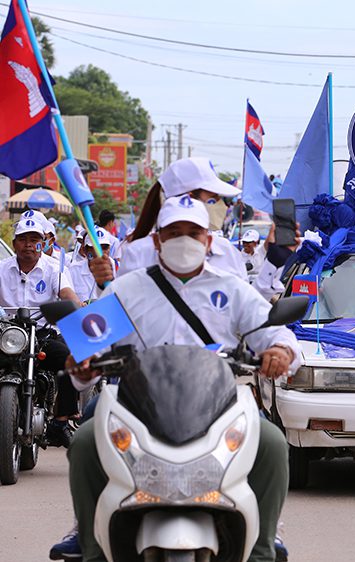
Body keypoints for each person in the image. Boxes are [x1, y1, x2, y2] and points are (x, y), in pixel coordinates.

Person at [55, 196, 300, 562]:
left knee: (272, 444)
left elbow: (279, 335)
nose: (183, 240)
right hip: (133, 404)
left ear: (208, 241)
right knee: (86, 441)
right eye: (173, 232)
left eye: (192, 232)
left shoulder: (233, 289)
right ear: (157, 241)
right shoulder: (126, 288)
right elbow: (83, 344)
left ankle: (262, 546)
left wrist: (281, 353)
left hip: (219, 404)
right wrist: (81, 362)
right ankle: (90, 545)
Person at [0, 218, 82, 448]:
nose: (28, 244)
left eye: (34, 240)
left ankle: (61, 422)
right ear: (14, 243)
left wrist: (76, 305)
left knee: (70, 361)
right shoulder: (2, 268)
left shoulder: (54, 269)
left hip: (43, 334)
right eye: (23, 239)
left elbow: (67, 293)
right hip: (8, 335)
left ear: (43, 243)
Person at [118, 157, 247, 279]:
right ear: (188, 200)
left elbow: (244, 299)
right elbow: (120, 299)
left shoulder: (225, 251)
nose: (222, 206)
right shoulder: (138, 253)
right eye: (214, 199)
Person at [66, 227, 115, 303]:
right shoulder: (73, 270)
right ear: (85, 250)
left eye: (105, 248)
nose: (101, 252)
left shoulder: (116, 267)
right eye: (96, 248)